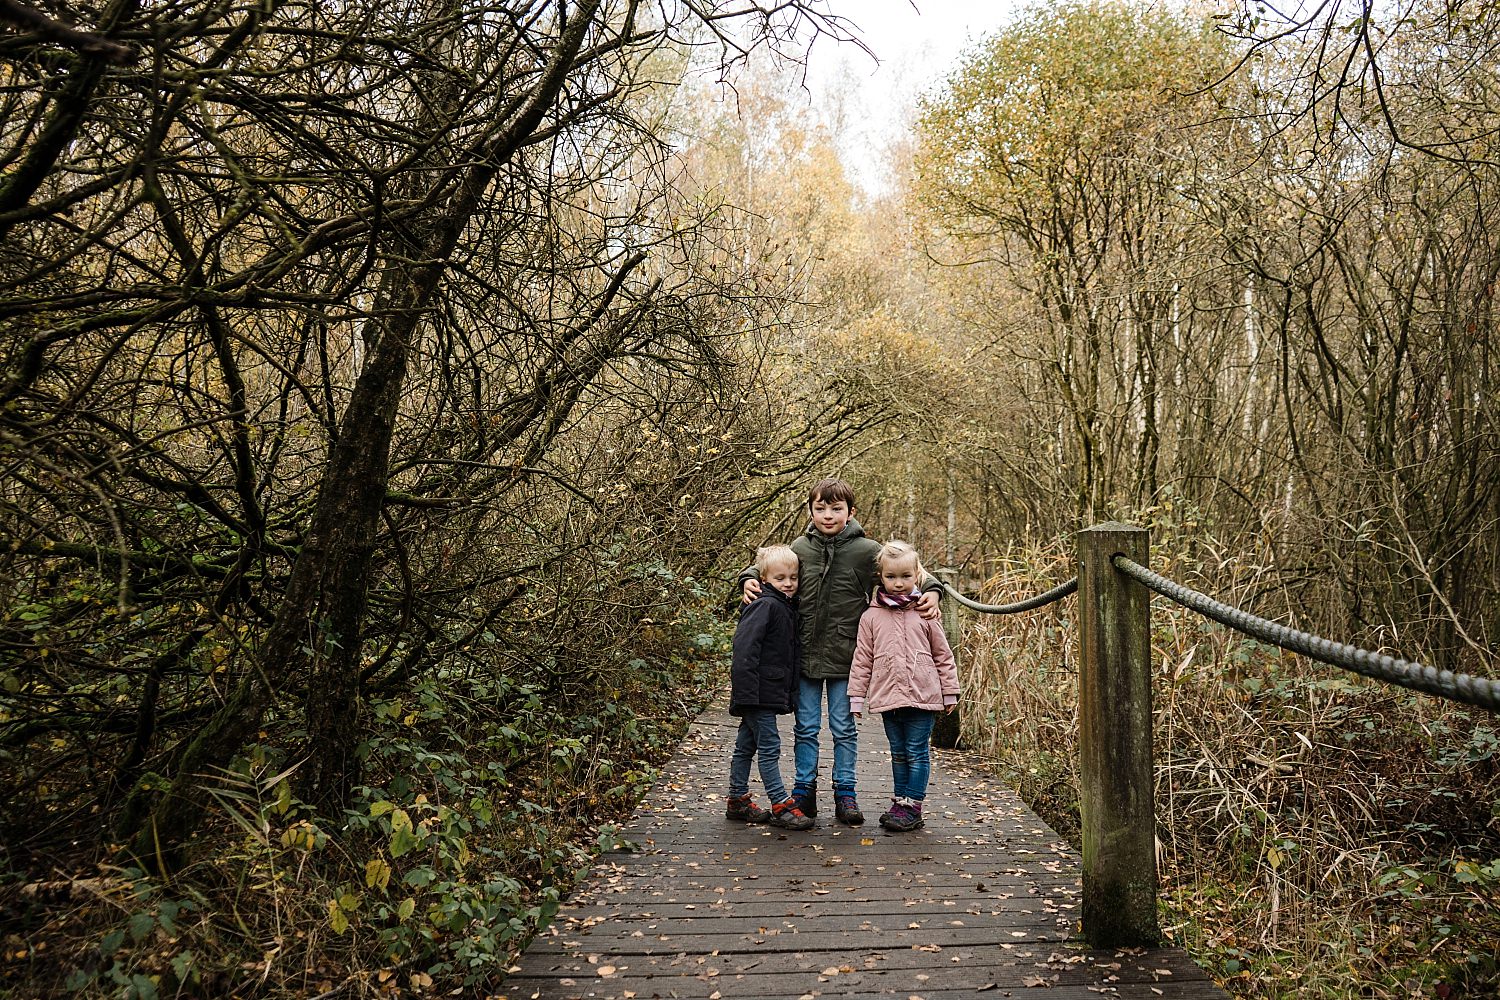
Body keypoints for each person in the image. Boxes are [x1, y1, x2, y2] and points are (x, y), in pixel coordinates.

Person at [740, 479, 942, 826]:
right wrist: (746, 578)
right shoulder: (800, 548)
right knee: (805, 726)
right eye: (820, 508)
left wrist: (934, 590)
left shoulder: (867, 552)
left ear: (851, 513)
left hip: (847, 656)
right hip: (802, 655)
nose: (828, 515)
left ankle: (845, 792)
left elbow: (910, 571)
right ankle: (804, 790)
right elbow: (769, 566)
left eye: (836, 509)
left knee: (843, 727)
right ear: (810, 510)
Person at [848, 540, 960, 833]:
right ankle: (900, 802)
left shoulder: (926, 612)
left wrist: (950, 691)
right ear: (881, 577)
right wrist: (856, 697)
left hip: (924, 694)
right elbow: (862, 659)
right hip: (888, 694)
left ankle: (913, 806)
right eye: (891, 577)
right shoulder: (871, 616)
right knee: (897, 751)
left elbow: (943, 655)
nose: (899, 583)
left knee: (916, 749)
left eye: (906, 576)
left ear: (917, 575)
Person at [725, 545, 815, 831]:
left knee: (745, 746)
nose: (788, 583)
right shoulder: (764, 605)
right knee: (769, 747)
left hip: (764, 690)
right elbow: (744, 649)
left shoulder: (783, 605)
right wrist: (747, 694)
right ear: (764, 579)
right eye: (780, 578)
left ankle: (737, 799)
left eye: (793, 577)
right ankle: (780, 803)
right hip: (757, 691)